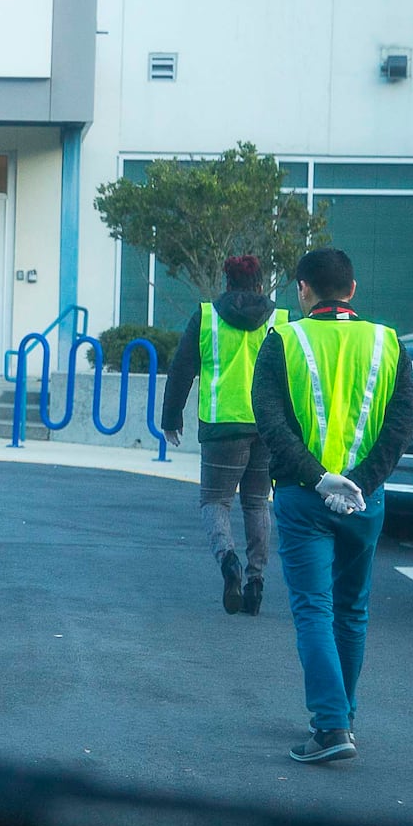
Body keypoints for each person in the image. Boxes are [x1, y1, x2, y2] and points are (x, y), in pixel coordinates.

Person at [251, 248, 413, 764]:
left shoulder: (285, 339)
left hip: (304, 496)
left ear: (303, 289)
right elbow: (400, 425)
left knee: (314, 609)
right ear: (352, 288)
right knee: (351, 609)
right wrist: (360, 482)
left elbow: (271, 422)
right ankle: (344, 718)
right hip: (365, 502)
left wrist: (320, 478)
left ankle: (329, 727)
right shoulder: (388, 342)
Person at [161, 255, 288, 616]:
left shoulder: (207, 317)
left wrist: (171, 418)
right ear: (262, 285)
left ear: (227, 283)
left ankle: (228, 561)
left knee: (215, 503)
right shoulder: (280, 321)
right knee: (256, 503)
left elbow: (182, 368)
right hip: (266, 426)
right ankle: (256, 582)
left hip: (221, 428)